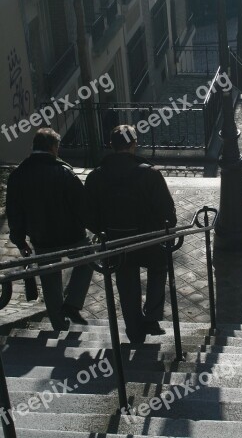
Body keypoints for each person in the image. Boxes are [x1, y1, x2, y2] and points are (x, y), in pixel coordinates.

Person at [84, 125, 177, 344]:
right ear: (134, 144)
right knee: (159, 267)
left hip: (116, 239)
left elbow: (87, 214)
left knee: (126, 284)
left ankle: (134, 330)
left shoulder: (96, 176)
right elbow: (167, 211)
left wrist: (102, 231)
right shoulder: (149, 173)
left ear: (111, 146)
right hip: (149, 239)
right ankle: (152, 316)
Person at [6, 128, 93, 330]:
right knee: (88, 260)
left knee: (49, 279)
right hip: (72, 235)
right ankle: (72, 302)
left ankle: (58, 324)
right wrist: (93, 227)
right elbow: (82, 207)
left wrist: (20, 241)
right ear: (54, 147)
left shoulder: (18, 176)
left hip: (41, 237)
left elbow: (14, 212)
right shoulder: (65, 173)